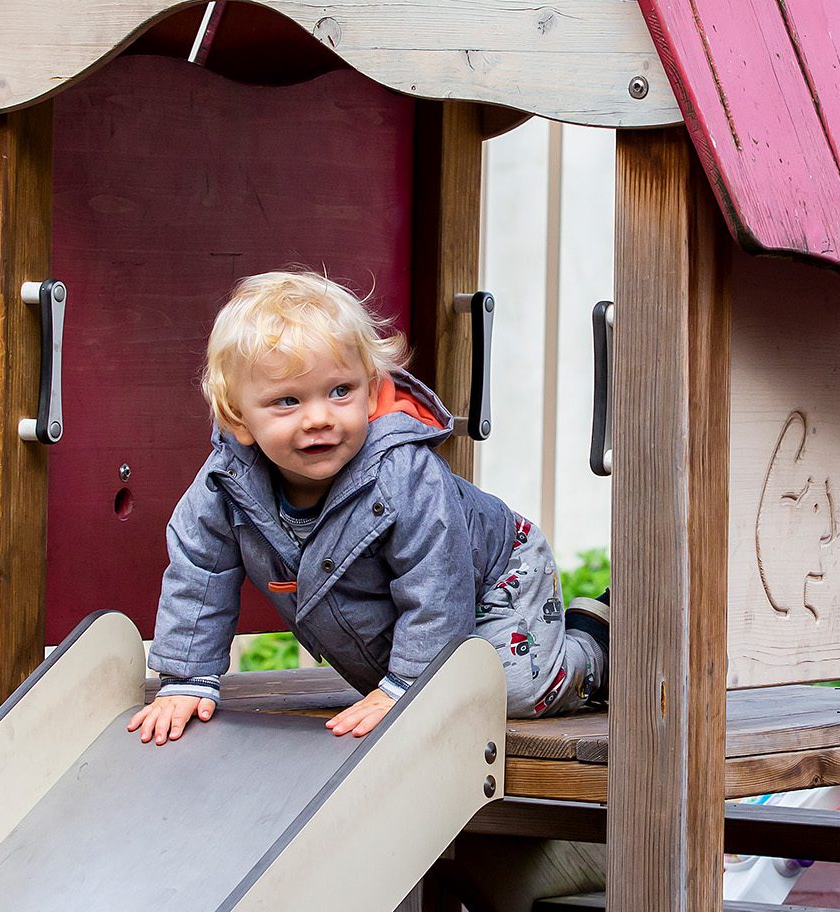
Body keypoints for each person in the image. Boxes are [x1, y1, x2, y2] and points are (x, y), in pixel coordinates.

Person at [130, 270, 609, 744]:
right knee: (406, 689)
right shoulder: (224, 483)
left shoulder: (403, 473)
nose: (319, 418)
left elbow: (435, 579)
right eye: (287, 401)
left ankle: (594, 642)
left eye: (341, 392)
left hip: (495, 570)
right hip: (406, 619)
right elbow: (199, 573)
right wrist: (186, 678)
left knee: (516, 690)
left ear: (373, 388)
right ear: (239, 418)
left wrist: (408, 685)